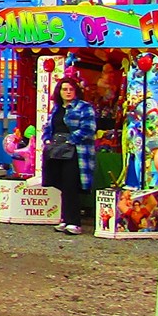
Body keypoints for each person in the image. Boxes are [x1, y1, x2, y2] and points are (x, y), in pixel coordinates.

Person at [45, 76, 100, 234]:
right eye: (64, 89)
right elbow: (49, 126)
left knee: (71, 184)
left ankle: (74, 222)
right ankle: (65, 218)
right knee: (60, 183)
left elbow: (89, 129)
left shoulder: (84, 107)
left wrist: (70, 140)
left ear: (76, 91)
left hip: (76, 151)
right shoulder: (56, 108)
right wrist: (47, 140)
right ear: (59, 92)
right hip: (56, 150)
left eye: (71, 89)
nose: (68, 92)